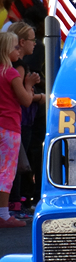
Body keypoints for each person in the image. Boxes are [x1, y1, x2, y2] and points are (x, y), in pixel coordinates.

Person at [0, 32, 40, 228]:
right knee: (6, 172)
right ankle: (4, 214)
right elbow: (25, 101)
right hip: (9, 127)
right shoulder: (12, 73)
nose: (18, 50)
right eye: (15, 47)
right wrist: (29, 85)